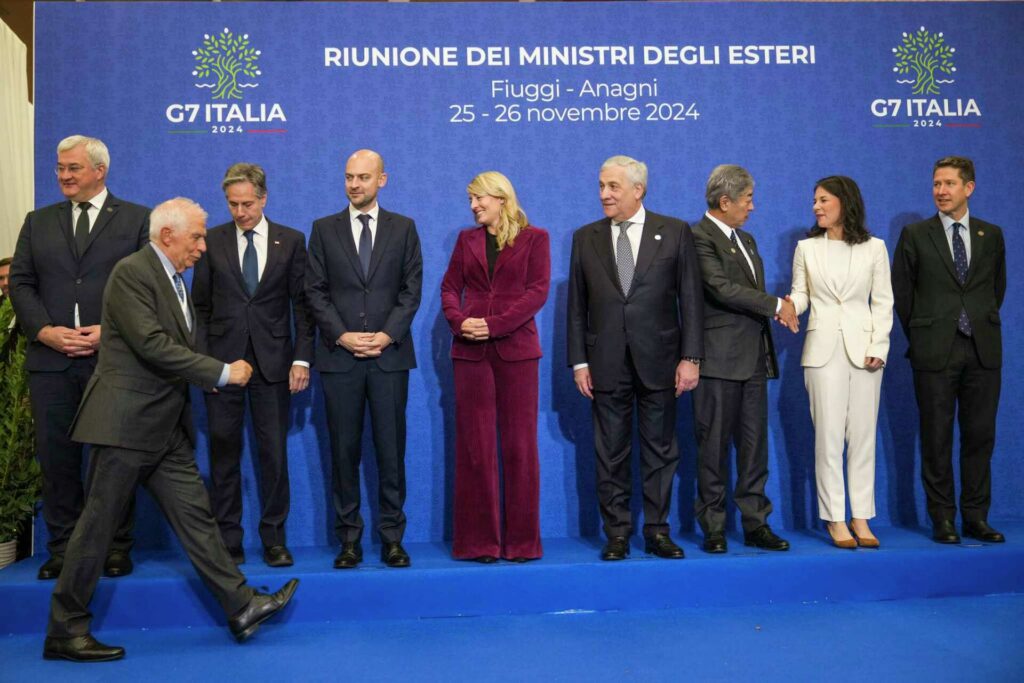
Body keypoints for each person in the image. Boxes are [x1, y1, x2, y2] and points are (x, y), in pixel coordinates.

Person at [44, 198, 298, 663]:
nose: (203, 246)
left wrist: (206, 375)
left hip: (163, 428)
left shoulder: (174, 279)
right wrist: (221, 372)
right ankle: (65, 629)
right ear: (167, 236)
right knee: (97, 529)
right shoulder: (133, 273)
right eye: (196, 237)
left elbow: (176, 346)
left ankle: (241, 605)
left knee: (198, 519)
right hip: (125, 425)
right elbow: (152, 345)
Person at [9, 135, 147, 580]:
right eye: (60, 168)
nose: (64, 176)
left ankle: (114, 546)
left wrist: (111, 330)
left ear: (99, 171)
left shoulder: (136, 220)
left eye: (73, 168)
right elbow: (21, 283)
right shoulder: (38, 221)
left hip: (112, 360)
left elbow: (148, 288)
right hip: (52, 362)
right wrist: (44, 331)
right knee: (57, 460)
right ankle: (64, 549)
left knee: (114, 458)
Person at [567, 155, 703, 561]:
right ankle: (617, 534)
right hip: (605, 362)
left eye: (613, 186)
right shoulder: (585, 237)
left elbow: (691, 300)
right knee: (610, 452)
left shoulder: (674, 232)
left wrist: (691, 357)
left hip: (660, 360)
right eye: (601, 186)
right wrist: (579, 361)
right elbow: (576, 307)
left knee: (661, 450)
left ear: (638, 190)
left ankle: (658, 532)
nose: (604, 194)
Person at [192, 163, 315, 568]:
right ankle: (229, 542)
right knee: (223, 456)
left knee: (273, 456)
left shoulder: (291, 241)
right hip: (223, 366)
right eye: (233, 204)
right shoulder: (212, 241)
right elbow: (200, 309)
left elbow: (303, 307)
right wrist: (206, 366)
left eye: (247, 203)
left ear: (263, 199)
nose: (240, 212)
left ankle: (275, 540)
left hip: (273, 364)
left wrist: (301, 358)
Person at [306, 149, 423, 569]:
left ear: (382, 180)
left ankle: (392, 539)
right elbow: (315, 291)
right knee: (344, 452)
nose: (354, 184)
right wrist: (342, 336)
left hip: (389, 358)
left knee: (391, 453)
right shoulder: (323, 229)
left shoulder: (404, 228)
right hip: (340, 359)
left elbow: (411, 289)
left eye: (363, 177)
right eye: (349, 177)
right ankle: (349, 541)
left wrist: (387, 335)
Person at [892, 156, 1006, 545]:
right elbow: (903, 295)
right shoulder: (915, 234)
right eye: (936, 183)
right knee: (936, 438)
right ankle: (942, 518)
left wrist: (975, 321)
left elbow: (997, 289)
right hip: (934, 349)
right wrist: (925, 332)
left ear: (968, 188)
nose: (940, 191)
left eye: (949, 184)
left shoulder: (991, 235)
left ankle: (976, 517)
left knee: (980, 437)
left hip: (982, 349)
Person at [441, 172, 550, 563]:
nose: (473, 206)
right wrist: (459, 322)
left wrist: (495, 325)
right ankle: (478, 543)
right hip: (470, 353)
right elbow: (449, 288)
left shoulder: (535, 238)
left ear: (502, 198)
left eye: (479, 198)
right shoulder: (466, 240)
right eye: (471, 200)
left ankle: (521, 544)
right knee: (476, 447)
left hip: (516, 351)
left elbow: (537, 292)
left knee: (520, 447)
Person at [691, 165, 795, 554]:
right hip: (718, 360)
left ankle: (756, 524)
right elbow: (720, 288)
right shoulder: (697, 237)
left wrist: (773, 308)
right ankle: (714, 528)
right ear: (725, 201)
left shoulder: (747, 240)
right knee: (713, 448)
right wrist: (776, 305)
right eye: (748, 199)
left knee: (754, 449)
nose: (752, 207)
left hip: (753, 359)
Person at [789, 176, 893, 549]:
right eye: (815, 201)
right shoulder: (806, 248)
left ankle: (861, 517)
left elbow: (883, 301)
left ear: (844, 202)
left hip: (865, 351)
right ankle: (835, 517)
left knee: (863, 437)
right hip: (821, 351)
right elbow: (801, 294)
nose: (816, 207)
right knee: (828, 437)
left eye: (824, 200)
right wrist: (788, 306)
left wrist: (879, 345)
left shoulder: (875, 248)